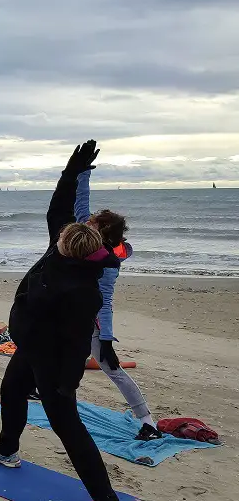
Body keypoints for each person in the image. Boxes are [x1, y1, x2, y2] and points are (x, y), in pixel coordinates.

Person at [0, 140, 125, 501]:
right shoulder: (61, 251)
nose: (57, 234)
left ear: (71, 248)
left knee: (65, 423)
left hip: (56, 363)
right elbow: (57, 210)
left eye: (63, 235)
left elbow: (76, 343)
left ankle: (105, 498)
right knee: (11, 391)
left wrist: (65, 382)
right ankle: (8, 449)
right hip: (30, 346)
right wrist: (71, 172)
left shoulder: (82, 290)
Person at [74, 169, 161, 440]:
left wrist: (108, 339)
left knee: (112, 369)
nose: (88, 223)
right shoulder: (87, 240)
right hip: (71, 317)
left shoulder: (108, 264)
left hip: (94, 323)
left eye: (94, 223)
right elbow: (80, 207)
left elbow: (105, 302)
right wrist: (82, 173)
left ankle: (148, 422)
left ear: (104, 232)